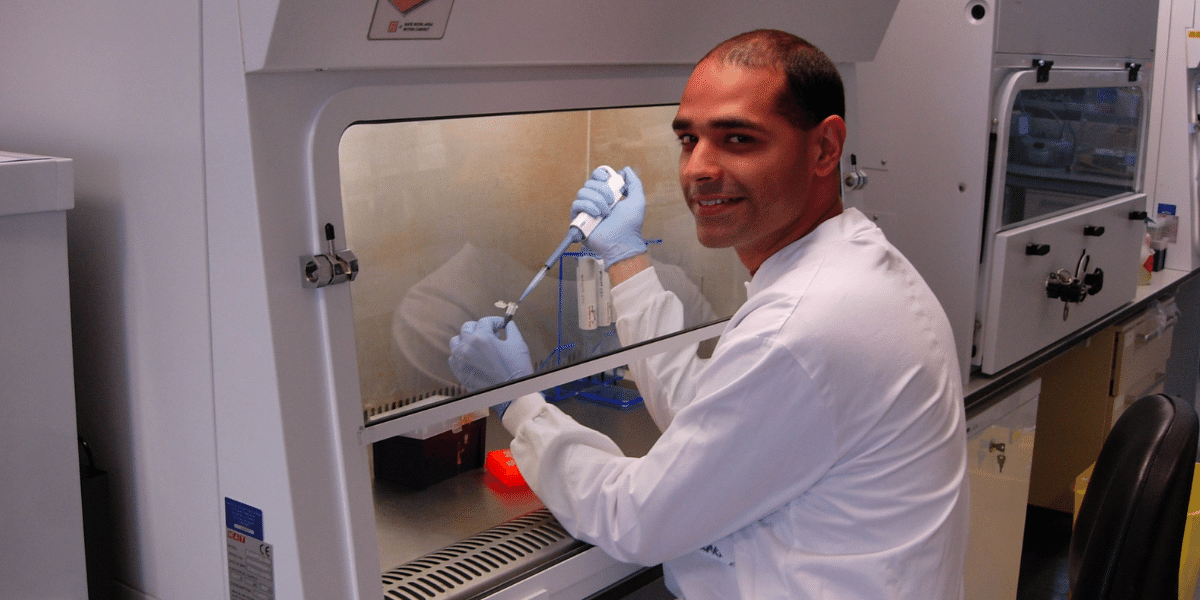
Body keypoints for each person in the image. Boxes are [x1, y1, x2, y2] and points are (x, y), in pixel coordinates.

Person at [448, 29, 968, 599]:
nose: (698, 167)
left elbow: (637, 517)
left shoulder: (805, 324)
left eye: (738, 138)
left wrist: (521, 406)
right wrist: (626, 259)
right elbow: (714, 410)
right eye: (688, 139)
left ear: (824, 148)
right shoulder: (851, 269)